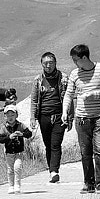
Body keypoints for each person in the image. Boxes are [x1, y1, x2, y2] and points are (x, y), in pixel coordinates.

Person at [62, 43, 100, 194]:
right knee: (85, 151)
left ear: (84, 57)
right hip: (82, 118)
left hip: (99, 117)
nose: (74, 63)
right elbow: (68, 94)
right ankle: (88, 183)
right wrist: (64, 111)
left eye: (75, 60)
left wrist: (94, 94)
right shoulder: (74, 74)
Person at [31, 52, 67, 184]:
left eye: (51, 63)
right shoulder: (38, 80)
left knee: (56, 144)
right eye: (45, 63)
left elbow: (69, 98)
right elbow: (34, 100)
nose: (48, 65)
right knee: (48, 145)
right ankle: (51, 170)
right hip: (43, 116)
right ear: (41, 64)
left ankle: (54, 171)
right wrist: (32, 118)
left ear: (55, 63)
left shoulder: (63, 78)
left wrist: (70, 116)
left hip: (59, 116)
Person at [0, 107, 33, 193]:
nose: (10, 117)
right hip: (9, 152)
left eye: (12, 115)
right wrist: (9, 137)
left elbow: (29, 133)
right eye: (8, 115)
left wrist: (22, 134)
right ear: (5, 116)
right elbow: (0, 139)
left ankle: (17, 185)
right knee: (10, 169)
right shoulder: (4, 127)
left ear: (16, 115)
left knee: (17, 167)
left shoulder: (20, 125)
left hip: (19, 152)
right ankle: (11, 185)